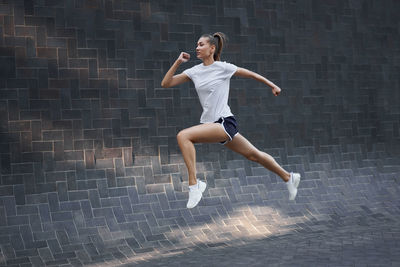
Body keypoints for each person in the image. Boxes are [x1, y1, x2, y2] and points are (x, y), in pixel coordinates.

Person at [161, 32, 301, 209]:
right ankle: (289, 177)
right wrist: (178, 62)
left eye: (201, 44)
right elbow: (166, 83)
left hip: (224, 123)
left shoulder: (223, 68)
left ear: (212, 48)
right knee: (253, 155)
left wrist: (272, 85)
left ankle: (194, 185)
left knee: (183, 136)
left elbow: (250, 74)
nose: (197, 47)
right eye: (196, 44)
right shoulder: (194, 71)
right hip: (212, 125)